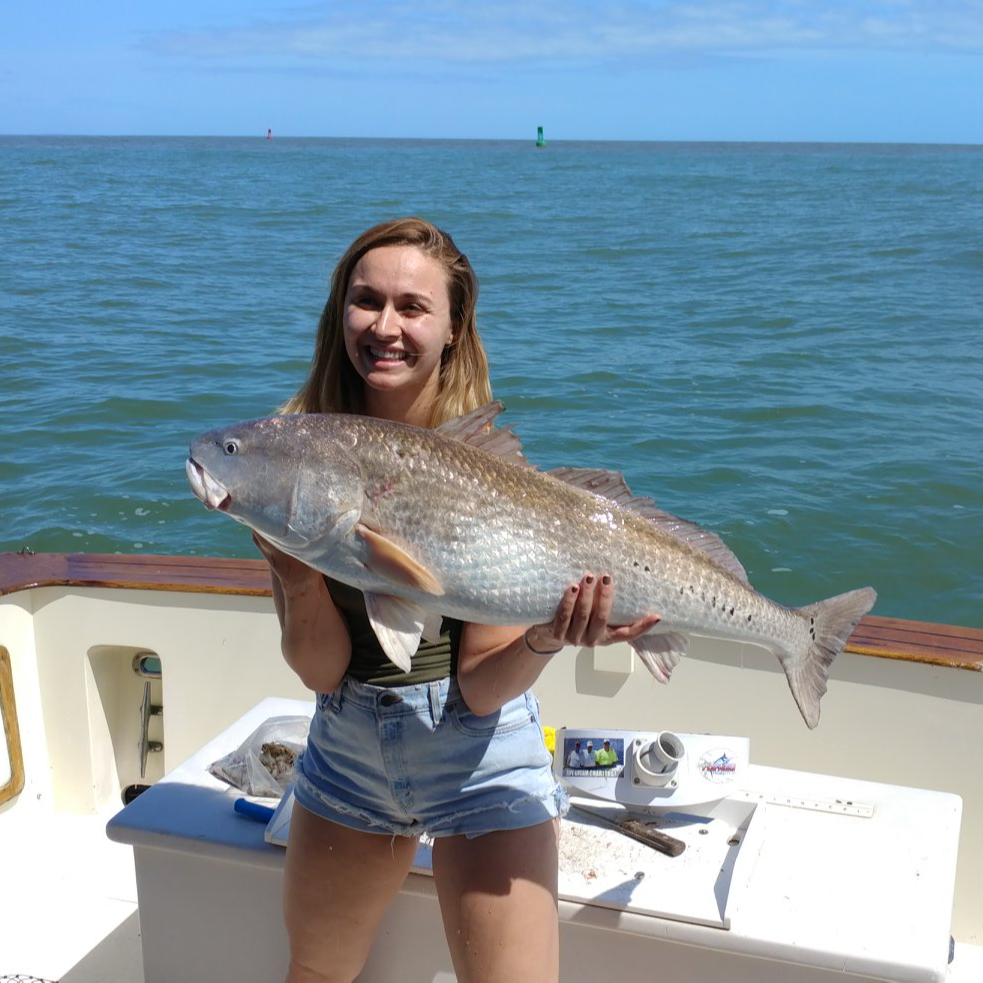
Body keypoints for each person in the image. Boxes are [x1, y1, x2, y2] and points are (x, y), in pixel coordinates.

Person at [253, 217, 660, 983]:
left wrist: (544, 637)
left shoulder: (489, 474)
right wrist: (299, 575)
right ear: (338, 311)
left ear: (450, 327)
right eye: (365, 300)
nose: (384, 325)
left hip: (482, 755)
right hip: (345, 751)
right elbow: (318, 668)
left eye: (412, 306)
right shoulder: (295, 451)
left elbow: (479, 687)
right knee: (314, 973)